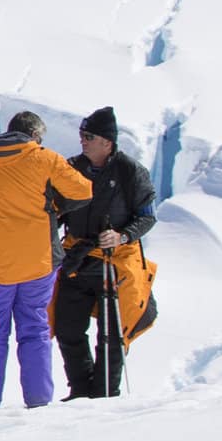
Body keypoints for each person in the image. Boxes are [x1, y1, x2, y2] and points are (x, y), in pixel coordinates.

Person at [0, 110, 94, 410]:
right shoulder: (45, 159)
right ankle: (38, 400)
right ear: (34, 136)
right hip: (39, 258)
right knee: (35, 328)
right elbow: (83, 190)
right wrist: (53, 206)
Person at [51, 107, 159, 397]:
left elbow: (148, 216)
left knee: (111, 335)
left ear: (107, 143)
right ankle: (81, 389)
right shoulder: (71, 168)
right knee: (67, 328)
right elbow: (56, 210)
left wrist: (122, 235)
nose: (82, 141)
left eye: (89, 136)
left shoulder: (131, 172)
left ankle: (104, 393)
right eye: (81, 135)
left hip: (115, 262)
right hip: (77, 258)